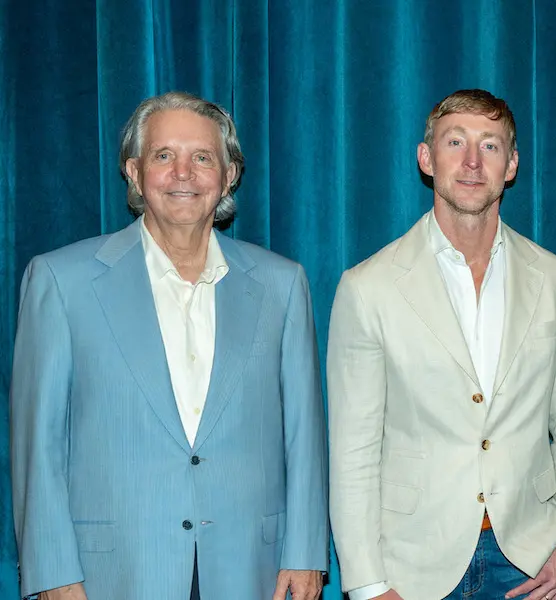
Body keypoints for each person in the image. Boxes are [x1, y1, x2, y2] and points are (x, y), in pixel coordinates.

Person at [10, 91, 328, 599]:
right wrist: (52, 572)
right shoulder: (60, 281)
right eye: (164, 156)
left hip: (251, 568)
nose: (183, 173)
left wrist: (306, 551)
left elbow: (304, 434)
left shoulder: (282, 285)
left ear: (229, 176)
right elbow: (38, 446)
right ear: (134, 173)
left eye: (202, 157)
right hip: (112, 576)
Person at [327, 89, 556, 600]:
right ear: (427, 158)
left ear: (511, 164)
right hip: (412, 565)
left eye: (491, 146)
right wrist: (366, 583)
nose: (473, 162)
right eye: (456, 142)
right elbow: (352, 449)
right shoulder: (368, 288)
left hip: (529, 559)